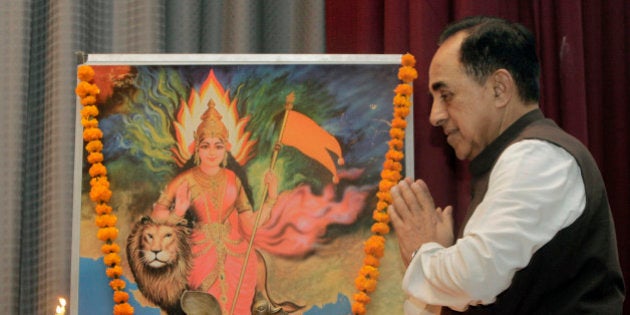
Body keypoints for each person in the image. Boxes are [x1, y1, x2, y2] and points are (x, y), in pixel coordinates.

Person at [388, 15, 625, 314]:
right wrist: (437, 256)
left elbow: (475, 277)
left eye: (446, 95)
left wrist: (421, 250)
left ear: (500, 88)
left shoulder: (539, 157)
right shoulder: (513, 157)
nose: (435, 116)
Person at [152, 100, 278, 315]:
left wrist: (271, 199)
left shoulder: (233, 179)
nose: (212, 152)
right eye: (205, 146)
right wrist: (179, 211)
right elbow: (157, 216)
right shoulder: (187, 179)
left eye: (218, 146)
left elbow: (249, 223)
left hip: (235, 253)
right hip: (199, 253)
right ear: (197, 149)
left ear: (226, 148)